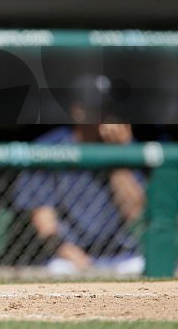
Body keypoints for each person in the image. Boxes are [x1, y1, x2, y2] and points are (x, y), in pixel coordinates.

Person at [13, 75, 145, 275]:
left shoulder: (125, 148)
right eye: (98, 110)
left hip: (123, 255)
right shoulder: (49, 149)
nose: (106, 117)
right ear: (78, 112)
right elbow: (44, 222)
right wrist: (75, 257)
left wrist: (118, 159)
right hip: (70, 257)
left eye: (108, 109)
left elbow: (136, 214)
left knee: (149, 270)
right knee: (58, 272)